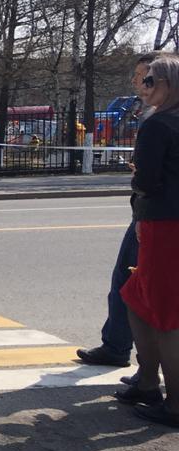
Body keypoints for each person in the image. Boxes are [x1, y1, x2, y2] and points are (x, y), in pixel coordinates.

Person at [77, 53, 158, 373]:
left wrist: (143, 175)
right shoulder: (153, 115)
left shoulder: (162, 119)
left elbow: (154, 177)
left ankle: (131, 357)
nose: (137, 83)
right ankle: (121, 348)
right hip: (149, 211)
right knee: (131, 281)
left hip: (155, 215)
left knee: (132, 281)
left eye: (142, 76)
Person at [118, 53, 179, 427]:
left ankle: (174, 403)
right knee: (136, 297)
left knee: (163, 312)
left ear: (169, 85)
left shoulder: (158, 125)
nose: (143, 86)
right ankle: (146, 381)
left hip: (163, 223)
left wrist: (138, 179)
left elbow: (147, 181)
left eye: (150, 80)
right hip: (168, 221)